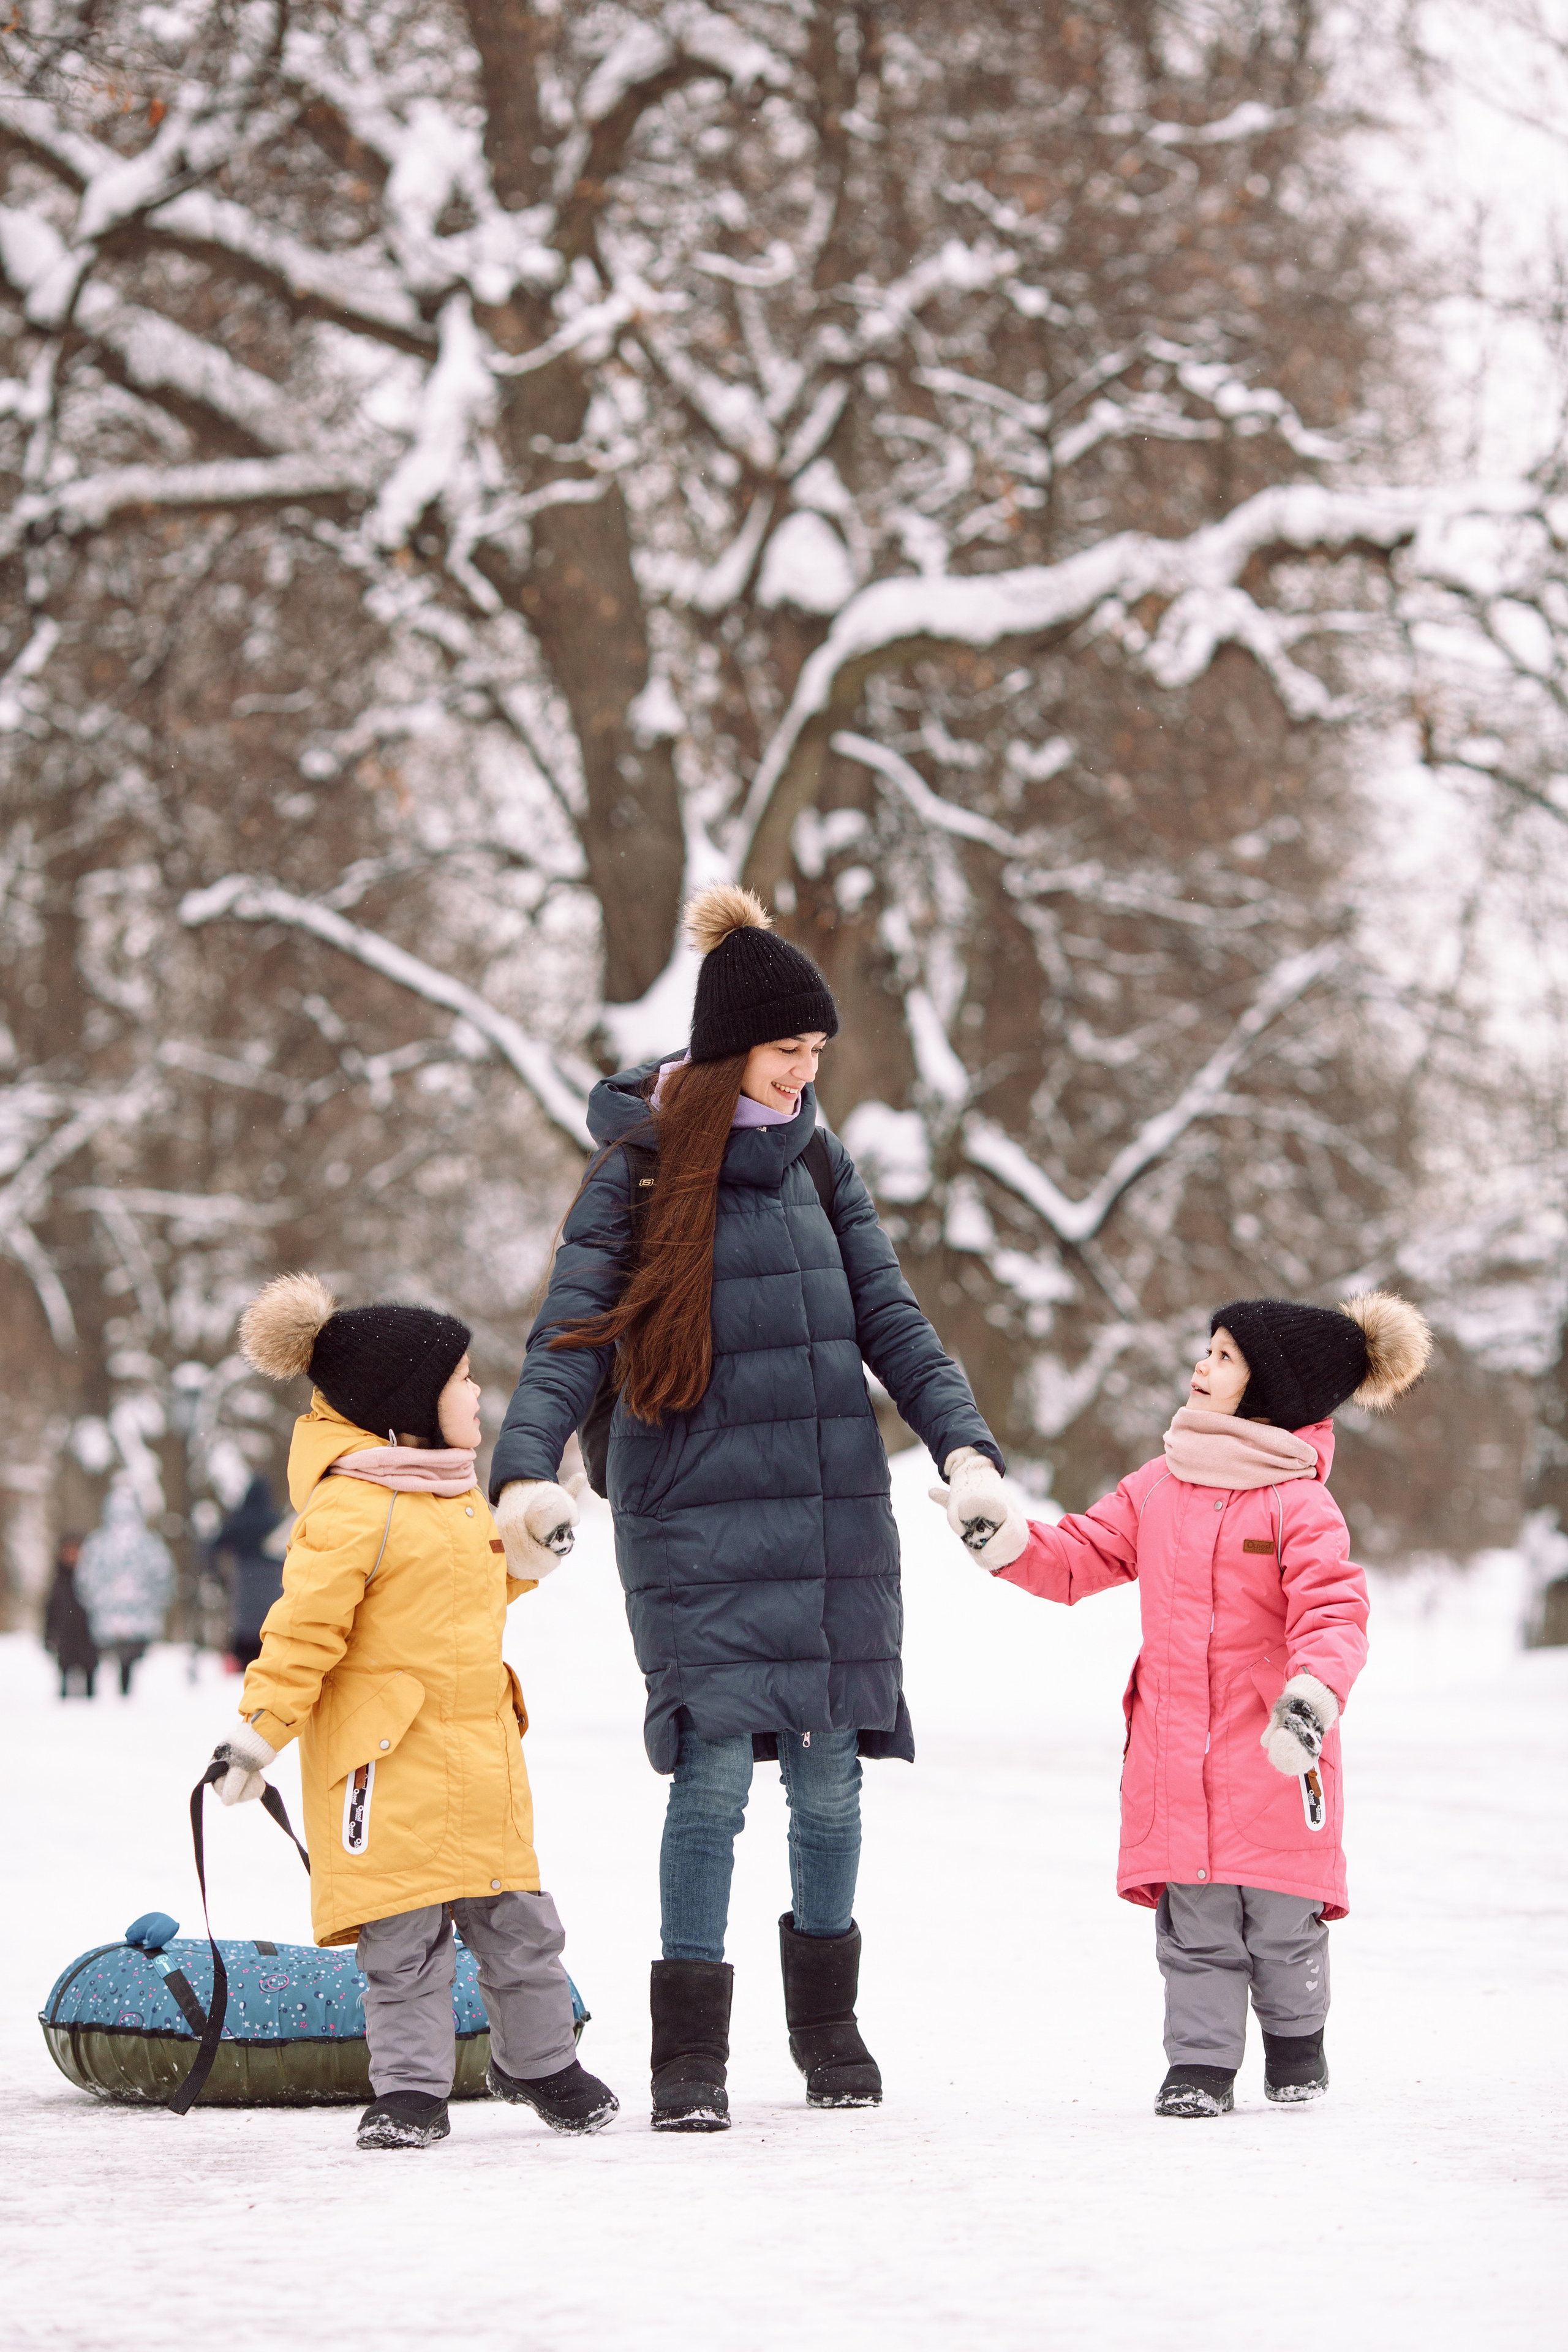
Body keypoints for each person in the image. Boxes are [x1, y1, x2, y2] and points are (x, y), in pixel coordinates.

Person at [490, 883, 1010, 2132]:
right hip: (696, 1514)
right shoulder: (635, 1173)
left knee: (832, 1777)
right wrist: (520, 1467)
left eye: (815, 1053)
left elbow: (893, 1320)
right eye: (788, 1052)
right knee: (713, 1772)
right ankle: (689, 2056)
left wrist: (967, 1451)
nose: (803, 1073)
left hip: (830, 1509)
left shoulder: (819, 1166)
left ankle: (825, 2026)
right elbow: (569, 1334)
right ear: (729, 1052)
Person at [938, 1292, 1431, 2117]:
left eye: (1226, 1357)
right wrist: (1006, 1538)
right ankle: (1200, 2066)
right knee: (1195, 1922)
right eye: (1207, 1350)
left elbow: (1334, 1613)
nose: (1202, 1366)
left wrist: (1311, 1701)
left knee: (1280, 1919)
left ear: (1270, 1389)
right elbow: (1080, 1556)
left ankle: (1296, 2046)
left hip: (1277, 1748)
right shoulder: (1159, 1487)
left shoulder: (1299, 1504)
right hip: (1177, 1748)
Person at [204, 1273, 618, 2153]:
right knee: (405, 1941)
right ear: (409, 1405)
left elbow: (476, 1589)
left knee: (521, 1928)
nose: (476, 1392)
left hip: (478, 1756)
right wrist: (258, 1735)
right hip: (384, 1771)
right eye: (461, 1379)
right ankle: (410, 2091)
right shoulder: (350, 1512)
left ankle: (540, 2063)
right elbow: (301, 1635)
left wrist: (538, 1544)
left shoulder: (454, 1494)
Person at [75, 1486, 175, 1697]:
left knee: (116, 1662)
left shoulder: (99, 1543)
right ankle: (122, 1694)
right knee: (125, 1663)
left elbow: (85, 1580)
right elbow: (163, 1578)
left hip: (112, 1621)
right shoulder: (149, 1543)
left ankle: (112, 1696)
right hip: (133, 1620)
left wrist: (97, 1602)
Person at [211, 1476, 284, 1669]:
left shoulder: (239, 1519)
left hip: (245, 1578)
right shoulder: (274, 1520)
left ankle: (241, 1662)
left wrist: (217, 1576)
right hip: (273, 1580)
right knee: (268, 1620)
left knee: (244, 1623)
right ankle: (267, 1659)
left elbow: (216, 1544)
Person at [43, 1534, 97, 1698]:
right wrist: (48, 1635)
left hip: (87, 1637)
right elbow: (51, 1609)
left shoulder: (92, 1578)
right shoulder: (58, 1578)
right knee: (64, 1675)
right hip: (66, 1637)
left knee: (90, 1677)